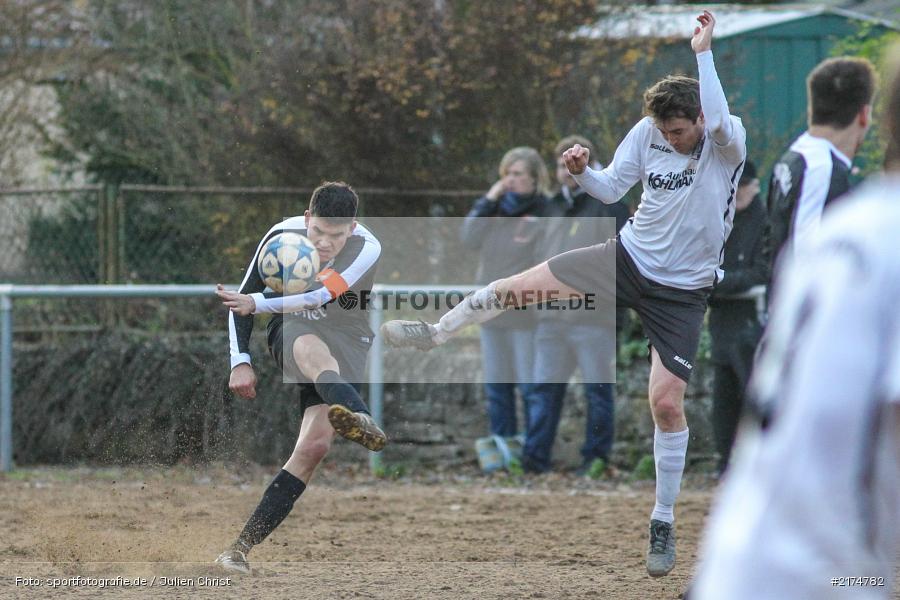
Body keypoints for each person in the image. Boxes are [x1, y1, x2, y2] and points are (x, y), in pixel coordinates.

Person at [382, 11, 745, 577]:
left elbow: (717, 118)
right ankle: (435, 332)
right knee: (519, 288)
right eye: (665, 134)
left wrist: (703, 53)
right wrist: (581, 171)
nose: (671, 141)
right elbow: (608, 188)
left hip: (682, 291)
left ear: (699, 116)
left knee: (666, 404)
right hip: (626, 258)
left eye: (679, 132)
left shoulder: (726, 140)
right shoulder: (647, 133)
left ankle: (663, 519)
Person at [690, 46, 900, 600]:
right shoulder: (844, 195)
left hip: (764, 549)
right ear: (864, 114)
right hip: (819, 569)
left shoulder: (805, 166)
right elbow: (812, 258)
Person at [213, 181, 386, 574]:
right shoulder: (280, 236)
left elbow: (319, 296)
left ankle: (237, 549)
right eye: (318, 231)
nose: (325, 243)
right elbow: (241, 298)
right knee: (311, 350)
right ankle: (360, 415)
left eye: (336, 235)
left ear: (353, 228)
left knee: (313, 449)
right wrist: (239, 360)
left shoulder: (367, 247)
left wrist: (257, 303)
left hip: (349, 335)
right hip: (295, 327)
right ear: (307, 219)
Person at [522, 135, 629, 475]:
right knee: (543, 392)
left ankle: (595, 462)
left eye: (572, 160)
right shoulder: (551, 207)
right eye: (559, 163)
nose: (565, 169)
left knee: (597, 392)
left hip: (594, 318)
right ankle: (533, 462)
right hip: (551, 318)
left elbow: (620, 260)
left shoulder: (609, 204)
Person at [460, 147, 549, 439]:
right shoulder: (493, 209)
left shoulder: (545, 209)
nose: (510, 180)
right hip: (490, 311)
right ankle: (504, 447)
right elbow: (468, 238)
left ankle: (533, 452)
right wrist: (487, 200)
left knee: (529, 386)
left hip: (525, 313)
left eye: (518, 174)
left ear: (535, 178)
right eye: (507, 173)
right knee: (497, 387)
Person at [768, 56, 876, 272]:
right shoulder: (820, 168)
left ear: (812, 109)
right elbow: (807, 261)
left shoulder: (795, 156)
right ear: (864, 115)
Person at [706, 160, 768, 474]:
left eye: (743, 187)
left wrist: (720, 282)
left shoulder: (765, 222)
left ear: (755, 186)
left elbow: (763, 272)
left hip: (751, 325)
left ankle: (754, 464)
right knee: (723, 400)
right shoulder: (721, 219)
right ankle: (724, 461)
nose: (737, 193)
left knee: (751, 394)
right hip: (722, 324)